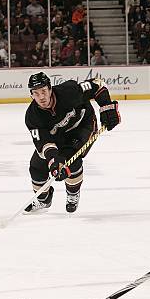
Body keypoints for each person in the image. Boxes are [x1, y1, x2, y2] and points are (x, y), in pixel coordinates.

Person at [24, 72, 121, 213]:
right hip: (57, 136)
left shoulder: (69, 92)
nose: (41, 97)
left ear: (50, 89)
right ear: (31, 95)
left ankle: (73, 193)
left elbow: (98, 84)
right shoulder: (32, 116)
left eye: (44, 91)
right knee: (37, 167)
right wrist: (54, 161)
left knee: (70, 160)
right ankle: (43, 200)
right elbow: (45, 144)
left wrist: (107, 107)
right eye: (36, 93)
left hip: (82, 127)